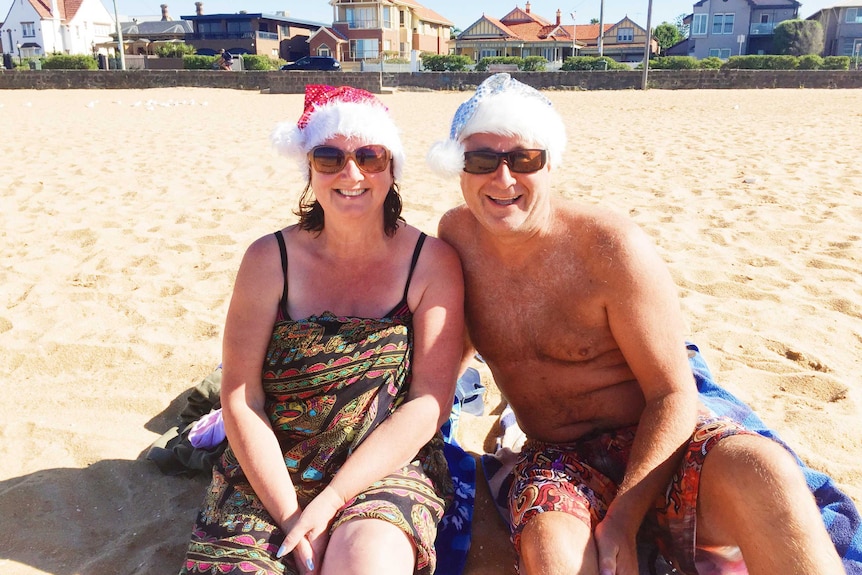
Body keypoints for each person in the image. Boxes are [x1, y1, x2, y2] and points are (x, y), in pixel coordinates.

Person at [428, 73, 846, 575]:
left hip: (658, 442)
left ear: (549, 162)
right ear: (458, 169)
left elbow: (673, 394)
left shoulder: (608, 247)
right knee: (552, 552)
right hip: (559, 456)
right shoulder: (455, 240)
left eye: (524, 159)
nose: (503, 179)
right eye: (480, 160)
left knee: (766, 470)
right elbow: (448, 360)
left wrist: (624, 517)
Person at [179, 84, 464, 575]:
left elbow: (428, 402)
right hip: (270, 465)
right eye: (329, 157)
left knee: (365, 565)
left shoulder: (430, 263)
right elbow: (242, 399)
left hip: (382, 464)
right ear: (309, 168)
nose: (351, 173)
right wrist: (292, 515)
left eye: (370, 156)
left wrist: (333, 498)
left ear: (392, 168)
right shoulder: (269, 260)